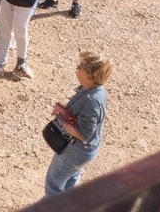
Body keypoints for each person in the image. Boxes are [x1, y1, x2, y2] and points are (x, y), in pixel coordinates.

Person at [45, 52, 112, 197]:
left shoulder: (91, 101)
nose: (76, 68)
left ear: (89, 75)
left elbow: (84, 134)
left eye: (80, 67)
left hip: (76, 151)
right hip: (83, 152)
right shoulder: (94, 90)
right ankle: (72, 206)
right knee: (71, 179)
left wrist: (63, 120)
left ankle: (50, 209)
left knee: (53, 184)